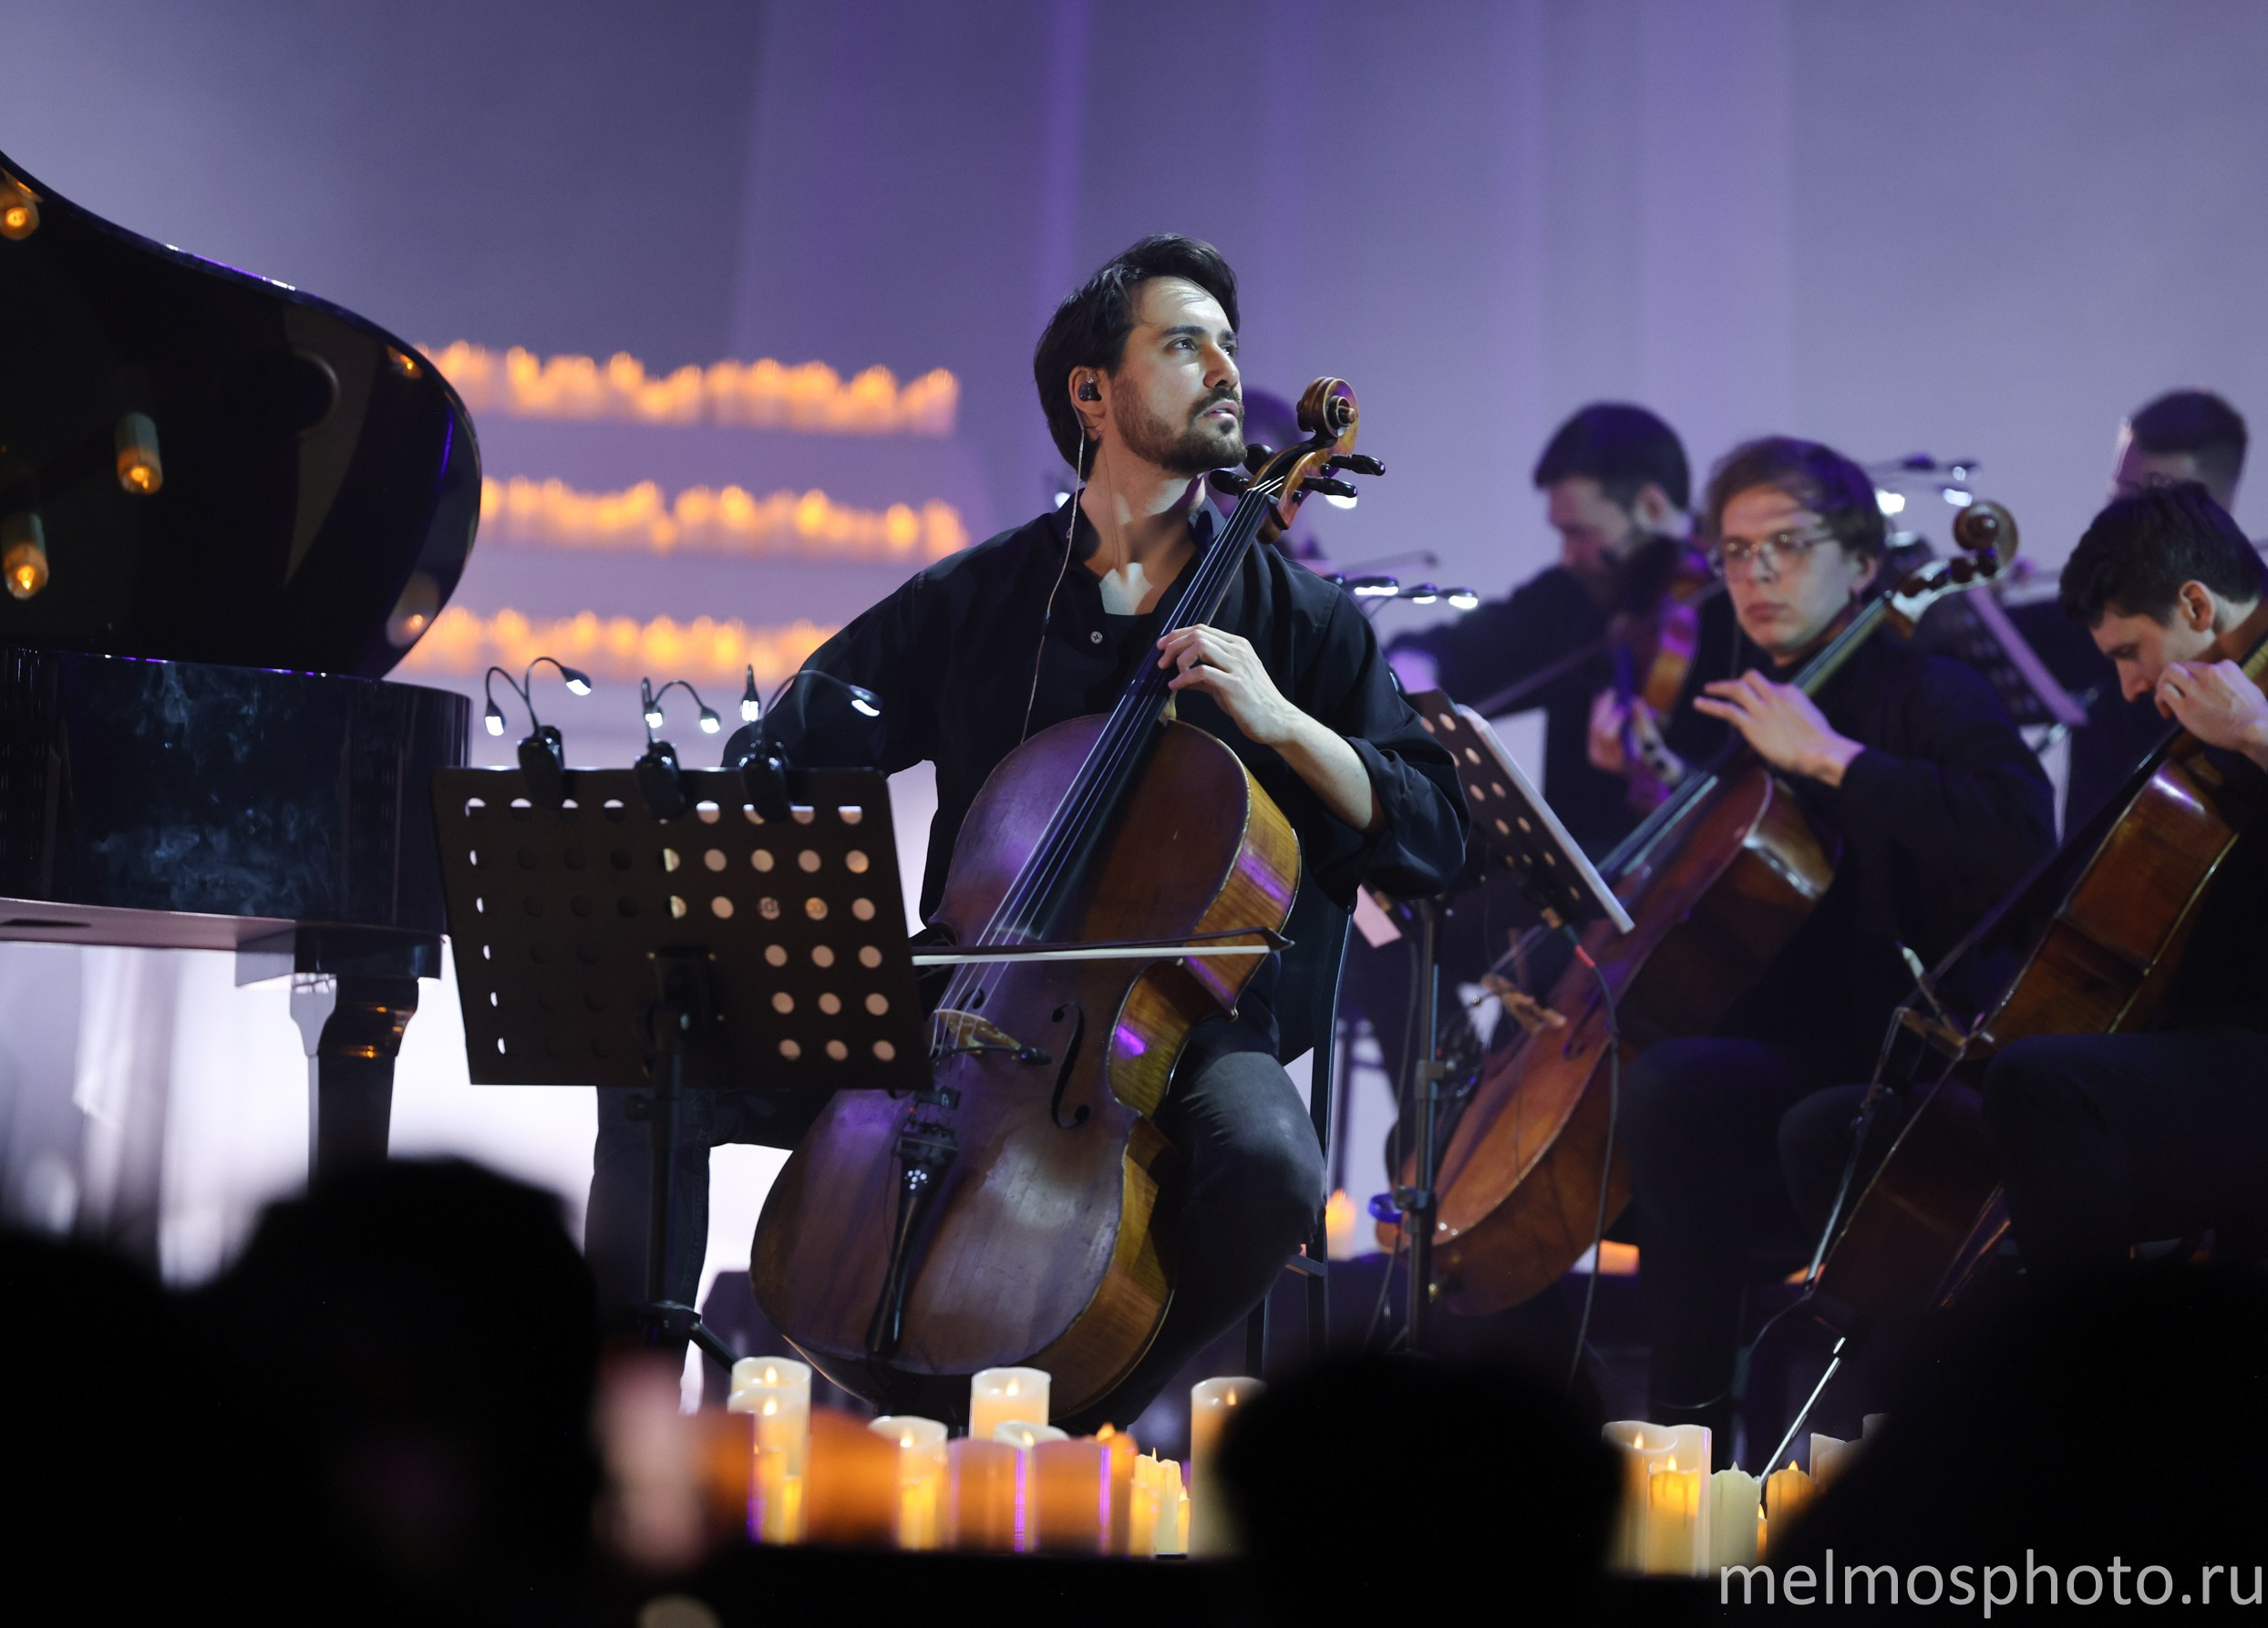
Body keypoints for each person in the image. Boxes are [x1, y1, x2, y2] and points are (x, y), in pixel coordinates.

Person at [582, 234, 1469, 1429]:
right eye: (1183, 341)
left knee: (1269, 1167)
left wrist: (1278, 718)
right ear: (1091, 393)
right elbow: (793, 750)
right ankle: (622, 1419)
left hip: (1179, 1025)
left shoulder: (1301, 625)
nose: (1222, 366)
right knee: (662, 1074)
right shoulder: (976, 597)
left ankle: (1079, 1414)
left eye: (1230, 343)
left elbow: (1430, 835)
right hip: (959, 992)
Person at [1614, 437, 2054, 1460]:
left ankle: (1870, 1457)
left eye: (1786, 545)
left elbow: (2022, 842)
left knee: (1733, 1105)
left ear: (1861, 563)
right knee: (1670, 1084)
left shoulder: (1929, 691)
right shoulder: (1742, 707)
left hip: (1911, 1049)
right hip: (1795, 1047)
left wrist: (1833, 759)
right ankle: (1684, 1445)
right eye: (1732, 551)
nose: (1755, 574)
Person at [1983, 483, 2268, 1273]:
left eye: (2128, 653)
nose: (2129, 687)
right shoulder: (2181, 709)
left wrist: (2256, 734)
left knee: (2044, 1088)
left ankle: (2098, 1373)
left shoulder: (2240, 713)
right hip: (2207, 1042)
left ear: (2197, 606)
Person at [1388, 403, 1735, 860]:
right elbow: (1441, 652)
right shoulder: (1568, 596)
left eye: (1581, 532)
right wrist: (1415, 681)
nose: (1567, 555)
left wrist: (1663, 771)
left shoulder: (1731, 609)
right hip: (1573, 887)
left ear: (1651, 506)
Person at [2014, 389, 2251, 833]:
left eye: (2151, 502)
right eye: (2119, 496)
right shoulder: (2102, 612)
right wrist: (1975, 605)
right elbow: (1978, 653)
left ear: (2218, 511)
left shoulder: (2252, 647)